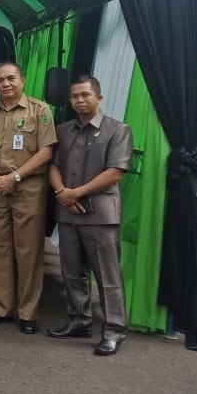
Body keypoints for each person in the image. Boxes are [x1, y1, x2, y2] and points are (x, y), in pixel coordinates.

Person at [48, 75, 134, 356]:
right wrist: (63, 192)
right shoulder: (63, 130)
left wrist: (77, 193)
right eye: (75, 96)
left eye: (85, 95)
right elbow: (54, 165)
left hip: (101, 214)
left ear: (99, 97)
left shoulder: (118, 130)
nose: (80, 100)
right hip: (68, 212)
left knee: (108, 276)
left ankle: (114, 331)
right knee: (72, 272)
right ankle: (79, 321)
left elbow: (115, 172)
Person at [0, 63, 57, 335]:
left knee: (28, 251)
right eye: (0, 80)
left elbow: (46, 152)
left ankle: (27, 312)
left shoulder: (39, 110)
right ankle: (0, 308)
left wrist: (15, 177)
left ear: (22, 79)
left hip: (28, 189)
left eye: (11, 78)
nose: (6, 84)